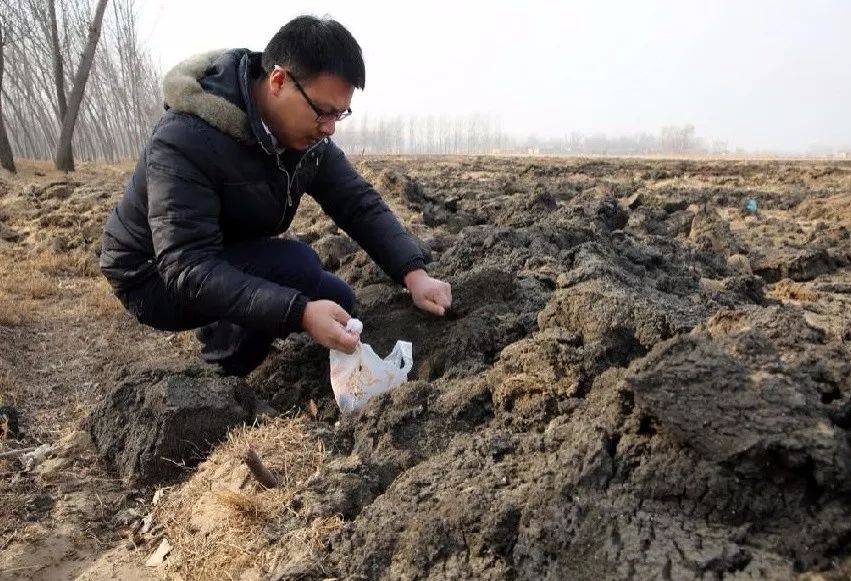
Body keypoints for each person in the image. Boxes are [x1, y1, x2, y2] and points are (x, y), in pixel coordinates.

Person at [99, 15, 452, 377]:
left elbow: (357, 202)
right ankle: (223, 371)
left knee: (340, 302)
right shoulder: (186, 138)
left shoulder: (306, 141)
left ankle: (226, 323)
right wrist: (298, 312)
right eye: (323, 112)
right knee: (296, 268)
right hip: (151, 276)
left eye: (339, 115)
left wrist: (414, 273)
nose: (329, 128)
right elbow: (186, 266)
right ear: (279, 81)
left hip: (217, 252)